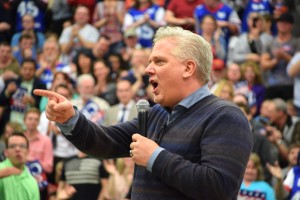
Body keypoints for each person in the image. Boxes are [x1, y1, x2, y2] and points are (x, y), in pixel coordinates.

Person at [34, 26, 252, 199]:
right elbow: (104, 142)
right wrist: (71, 119)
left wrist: (155, 157)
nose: (148, 69)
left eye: (159, 61)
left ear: (188, 68)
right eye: (149, 62)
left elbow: (219, 188)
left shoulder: (225, 116)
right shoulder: (156, 114)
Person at [0, 132, 40, 200]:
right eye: (12, 146)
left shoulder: (32, 182)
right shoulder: (1, 170)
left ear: (28, 151)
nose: (18, 149)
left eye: (22, 146)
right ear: (6, 152)